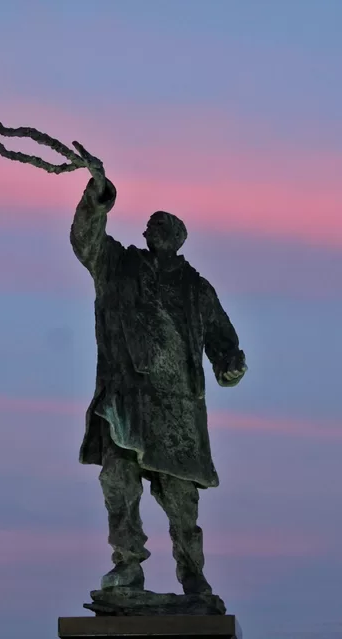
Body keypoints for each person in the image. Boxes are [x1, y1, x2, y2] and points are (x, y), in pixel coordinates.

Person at [69, 141, 247, 595]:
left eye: (164, 224)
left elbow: (224, 339)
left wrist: (230, 363)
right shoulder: (119, 265)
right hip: (125, 398)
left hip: (175, 409)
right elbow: (85, 240)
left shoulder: (196, 289)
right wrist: (97, 193)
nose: (154, 226)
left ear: (178, 238)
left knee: (181, 501)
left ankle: (192, 575)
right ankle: (127, 564)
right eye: (152, 222)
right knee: (118, 479)